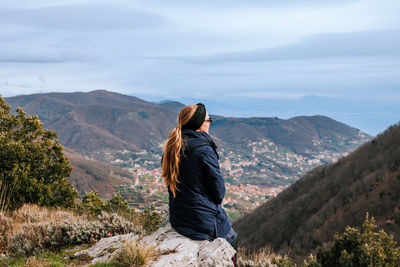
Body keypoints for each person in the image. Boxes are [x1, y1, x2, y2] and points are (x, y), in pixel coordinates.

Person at [161, 103, 237, 246]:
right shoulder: (203, 149)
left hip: (178, 218)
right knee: (231, 238)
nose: (209, 123)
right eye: (209, 120)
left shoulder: (172, 147)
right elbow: (218, 191)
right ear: (200, 124)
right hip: (200, 222)